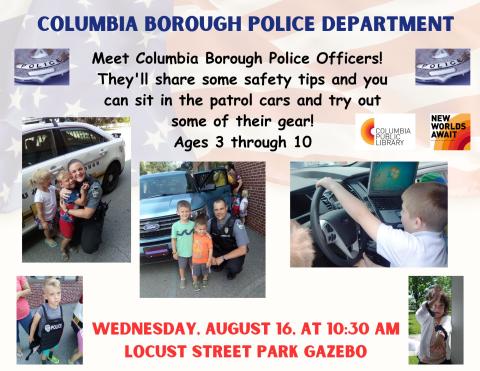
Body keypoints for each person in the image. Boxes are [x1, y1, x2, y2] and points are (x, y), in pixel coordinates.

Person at [316, 178, 448, 267]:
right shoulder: (439, 241)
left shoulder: (408, 247)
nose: (400, 214)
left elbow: (362, 215)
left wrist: (332, 185)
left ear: (417, 222)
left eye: (403, 211)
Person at [60, 159, 105, 254]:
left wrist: (66, 210)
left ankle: (98, 228)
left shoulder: (95, 187)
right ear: (70, 174)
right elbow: (63, 183)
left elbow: (87, 214)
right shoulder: (73, 181)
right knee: (71, 240)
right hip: (78, 213)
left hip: (91, 216)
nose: (78, 173)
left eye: (80, 169)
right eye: (74, 171)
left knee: (89, 248)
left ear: (85, 168)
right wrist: (62, 190)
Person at [208, 198, 249, 280]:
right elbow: (204, 240)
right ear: (213, 210)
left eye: (221, 209)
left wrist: (222, 258)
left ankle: (231, 267)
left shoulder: (236, 223)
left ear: (226, 208)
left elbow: (243, 250)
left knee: (234, 267)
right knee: (214, 266)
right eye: (216, 210)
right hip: (219, 249)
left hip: (233, 251)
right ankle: (221, 263)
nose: (219, 212)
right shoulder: (210, 222)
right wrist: (211, 256)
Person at [28, 277, 64, 364]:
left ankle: (48, 355)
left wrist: (59, 334)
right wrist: (31, 336)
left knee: (53, 346)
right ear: (45, 296)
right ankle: (44, 360)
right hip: (44, 336)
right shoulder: (42, 309)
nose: (56, 297)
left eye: (58, 293)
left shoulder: (60, 308)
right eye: (52, 294)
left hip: (55, 335)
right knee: (46, 349)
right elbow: (34, 324)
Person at [57, 170, 88, 261]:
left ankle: (69, 244)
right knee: (68, 237)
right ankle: (62, 249)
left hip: (69, 218)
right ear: (62, 184)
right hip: (67, 221)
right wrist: (83, 192)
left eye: (71, 178)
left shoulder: (68, 190)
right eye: (67, 180)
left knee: (70, 234)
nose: (71, 180)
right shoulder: (69, 194)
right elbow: (82, 202)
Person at [415, 286, 452, 364]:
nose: (437, 309)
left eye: (441, 305)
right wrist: (434, 299)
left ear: (445, 307)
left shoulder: (446, 318)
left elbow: (447, 326)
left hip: (441, 360)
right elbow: (419, 314)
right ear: (429, 306)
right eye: (434, 305)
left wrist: (441, 335)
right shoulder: (425, 318)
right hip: (424, 360)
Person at [31, 169, 58, 248]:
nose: (51, 180)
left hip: (52, 213)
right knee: (47, 229)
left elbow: (57, 190)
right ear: (41, 183)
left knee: (54, 224)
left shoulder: (50, 187)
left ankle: (55, 232)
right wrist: (43, 222)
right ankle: (48, 238)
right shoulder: (39, 196)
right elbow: (39, 211)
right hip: (45, 218)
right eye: (48, 179)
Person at [171, 200, 195, 289]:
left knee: (193, 265)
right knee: (182, 267)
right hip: (181, 252)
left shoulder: (193, 224)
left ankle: (194, 278)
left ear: (190, 212)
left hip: (193, 251)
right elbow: (173, 239)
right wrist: (174, 252)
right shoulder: (175, 226)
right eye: (182, 211)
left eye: (186, 211)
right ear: (177, 212)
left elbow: (198, 236)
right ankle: (182, 279)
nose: (184, 214)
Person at [191, 216, 213, 291]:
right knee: (195, 273)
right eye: (200, 229)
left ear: (206, 229)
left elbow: (210, 249)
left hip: (205, 260)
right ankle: (195, 282)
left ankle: (205, 279)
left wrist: (209, 260)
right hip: (195, 260)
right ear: (195, 229)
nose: (202, 231)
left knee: (205, 271)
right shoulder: (193, 236)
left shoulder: (208, 238)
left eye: (204, 229)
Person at [17, 276, 32, 358]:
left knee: (31, 330)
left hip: (23, 312)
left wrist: (19, 293)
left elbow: (28, 290)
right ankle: (18, 348)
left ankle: (33, 344)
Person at [68, 294, 83, 364]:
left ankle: (74, 354)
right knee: (81, 353)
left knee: (80, 349)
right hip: (82, 332)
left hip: (81, 331)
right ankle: (71, 361)